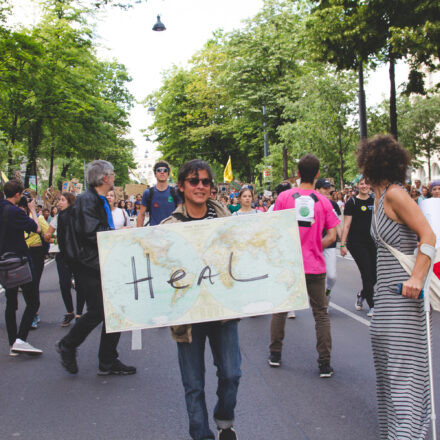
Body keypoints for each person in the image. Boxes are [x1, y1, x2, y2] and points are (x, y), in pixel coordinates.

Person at [357, 134, 436, 440]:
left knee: (404, 379)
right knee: (389, 380)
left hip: (403, 300)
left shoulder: (395, 195)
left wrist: (416, 278)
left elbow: (428, 236)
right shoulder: (380, 197)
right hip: (387, 302)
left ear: (372, 162)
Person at [161, 159, 241, 440]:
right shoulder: (168, 227)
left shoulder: (227, 224)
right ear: (181, 186)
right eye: (194, 181)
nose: (200, 186)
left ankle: (224, 419)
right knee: (193, 383)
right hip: (188, 318)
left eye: (205, 181)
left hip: (223, 313)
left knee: (231, 374)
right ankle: (200, 435)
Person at [56, 160, 136, 376]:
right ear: (104, 178)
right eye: (113, 174)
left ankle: (108, 361)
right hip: (91, 265)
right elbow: (92, 234)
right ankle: (68, 344)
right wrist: (119, 233)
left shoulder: (97, 200)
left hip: (100, 263)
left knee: (117, 311)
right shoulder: (88, 201)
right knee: (99, 312)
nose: (115, 177)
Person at [269, 154, 339, 378]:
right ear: (317, 175)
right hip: (315, 265)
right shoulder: (324, 201)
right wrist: (315, 245)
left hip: (289, 263)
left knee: (280, 309)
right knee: (321, 314)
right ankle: (324, 364)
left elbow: (274, 230)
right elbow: (333, 235)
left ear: (298, 174)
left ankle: (275, 355)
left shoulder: (284, 197)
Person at [0, 180, 42, 355]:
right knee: (33, 302)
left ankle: (12, 345)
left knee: (11, 303)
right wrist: (32, 210)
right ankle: (21, 339)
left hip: (3, 262)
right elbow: (37, 229)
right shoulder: (16, 212)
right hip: (19, 261)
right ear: (18, 195)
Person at [45, 192, 85, 326]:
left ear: (70, 202)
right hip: (62, 255)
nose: (59, 203)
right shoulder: (58, 217)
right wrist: (57, 239)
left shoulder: (78, 216)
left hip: (77, 255)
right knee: (64, 284)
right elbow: (47, 235)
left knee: (80, 284)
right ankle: (70, 312)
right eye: (59, 200)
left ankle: (79, 313)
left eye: (62, 200)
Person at [340, 177, 376, 316]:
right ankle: (372, 305)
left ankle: (362, 294)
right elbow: (347, 225)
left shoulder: (374, 200)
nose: (364, 186)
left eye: (367, 183)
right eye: (362, 184)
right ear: (357, 186)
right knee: (366, 273)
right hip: (356, 243)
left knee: (375, 275)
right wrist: (343, 244)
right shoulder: (352, 202)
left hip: (372, 242)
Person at [20, 196, 50, 329]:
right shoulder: (17, 216)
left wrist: (35, 213)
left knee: (34, 283)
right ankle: (31, 310)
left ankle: (34, 313)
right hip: (21, 253)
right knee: (26, 284)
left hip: (36, 253)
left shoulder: (38, 217)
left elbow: (46, 231)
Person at [315, 178, 342, 299]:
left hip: (329, 244)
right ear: (317, 190)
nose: (327, 190)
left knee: (331, 276)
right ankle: (320, 301)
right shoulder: (311, 204)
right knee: (316, 277)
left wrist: (343, 243)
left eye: (328, 188)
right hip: (314, 245)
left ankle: (327, 293)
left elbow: (338, 224)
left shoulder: (334, 205)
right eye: (324, 188)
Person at [137, 161, 181, 227]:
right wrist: (138, 235)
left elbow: (181, 214)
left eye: (165, 170)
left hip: (172, 232)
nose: (162, 172)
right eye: (159, 170)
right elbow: (141, 215)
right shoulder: (148, 193)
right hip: (154, 233)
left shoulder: (175, 192)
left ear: (168, 174)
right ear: (155, 173)